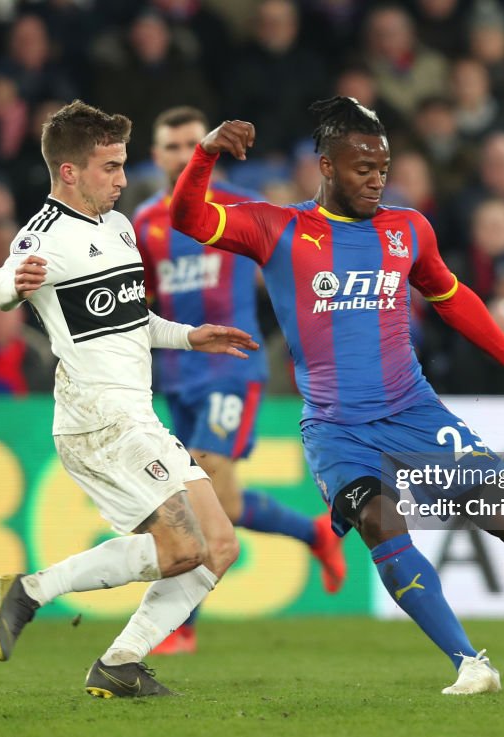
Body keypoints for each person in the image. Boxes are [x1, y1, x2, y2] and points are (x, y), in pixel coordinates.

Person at [170, 97, 504, 695]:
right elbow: (189, 217)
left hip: (413, 411)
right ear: (327, 167)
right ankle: (469, 663)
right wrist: (205, 154)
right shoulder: (279, 228)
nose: (377, 180)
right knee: (381, 523)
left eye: (383, 168)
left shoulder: (408, 230)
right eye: (363, 169)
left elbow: (450, 296)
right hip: (336, 428)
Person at [0, 100, 257, 698]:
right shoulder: (46, 234)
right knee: (182, 548)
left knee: (219, 547)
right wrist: (12, 286)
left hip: (136, 414)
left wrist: (189, 336)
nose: (122, 178)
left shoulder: (119, 227)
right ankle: (32, 590)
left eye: (123, 164)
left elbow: (131, 320)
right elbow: (2, 283)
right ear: (69, 172)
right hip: (98, 419)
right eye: (109, 167)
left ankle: (120, 663)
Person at [133, 106, 346, 654]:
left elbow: (296, 260)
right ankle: (314, 532)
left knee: (196, 486)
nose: (182, 155)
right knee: (218, 504)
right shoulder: (147, 223)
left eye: (192, 144)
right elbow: (145, 300)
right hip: (177, 376)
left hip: (231, 369)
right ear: (155, 157)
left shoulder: (239, 209)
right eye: (172, 147)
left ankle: (180, 626)